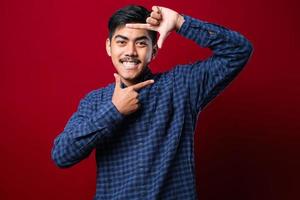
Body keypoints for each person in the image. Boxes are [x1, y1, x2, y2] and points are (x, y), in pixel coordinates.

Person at [51, 5, 253, 200]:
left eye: (141, 43)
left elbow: (238, 51)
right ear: (108, 47)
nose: (130, 51)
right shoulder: (95, 101)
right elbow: (62, 155)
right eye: (121, 42)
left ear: (154, 51)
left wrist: (180, 22)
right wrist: (114, 111)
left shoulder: (180, 86)